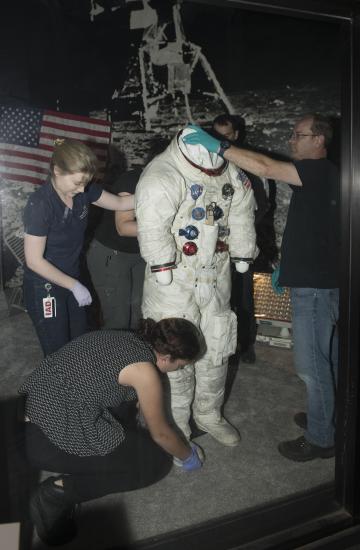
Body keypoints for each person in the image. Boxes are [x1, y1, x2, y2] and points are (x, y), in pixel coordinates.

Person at [183, 114, 340, 462]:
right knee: (329, 359)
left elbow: (266, 168)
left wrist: (219, 146)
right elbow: (324, 229)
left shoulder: (316, 170)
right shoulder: (324, 177)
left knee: (312, 367)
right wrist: (289, 265)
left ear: (319, 140)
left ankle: (321, 437)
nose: (291, 140)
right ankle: (327, 418)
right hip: (316, 278)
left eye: (298, 135)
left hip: (314, 287)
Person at [19, 317, 204, 546]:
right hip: (43, 439)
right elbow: (161, 434)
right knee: (154, 464)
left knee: (131, 427)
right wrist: (187, 454)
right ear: (166, 357)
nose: (179, 370)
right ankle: (56, 495)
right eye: (180, 366)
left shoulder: (126, 337)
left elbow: (133, 405)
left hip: (26, 410)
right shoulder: (145, 372)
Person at [135, 126, 257, 447]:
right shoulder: (164, 172)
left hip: (216, 275)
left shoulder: (230, 172)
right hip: (173, 279)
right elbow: (152, 221)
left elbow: (243, 211)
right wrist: (161, 262)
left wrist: (243, 250)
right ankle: (176, 427)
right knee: (173, 353)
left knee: (217, 346)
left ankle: (208, 413)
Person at [23, 138, 134, 357]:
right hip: (45, 285)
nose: (83, 188)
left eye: (86, 182)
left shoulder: (84, 191)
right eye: (77, 183)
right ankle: (55, 390)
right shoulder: (40, 204)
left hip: (72, 278)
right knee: (58, 353)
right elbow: (34, 260)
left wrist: (158, 193)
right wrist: (74, 285)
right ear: (56, 170)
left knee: (80, 343)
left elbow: (121, 203)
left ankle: (78, 388)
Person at [212, 114, 277, 363]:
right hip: (214, 243)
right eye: (216, 136)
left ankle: (246, 344)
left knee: (243, 295)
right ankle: (221, 346)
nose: (220, 142)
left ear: (236, 136)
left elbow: (262, 207)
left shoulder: (248, 164)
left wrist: (240, 232)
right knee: (218, 296)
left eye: (225, 137)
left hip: (242, 240)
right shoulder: (209, 162)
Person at [87, 138, 169, 330]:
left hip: (140, 255)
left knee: (140, 314)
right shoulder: (133, 179)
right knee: (118, 319)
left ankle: (133, 358)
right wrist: (172, 228)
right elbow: (123, 227)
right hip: (112, 254)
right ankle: (113, 359)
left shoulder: (171, 184)